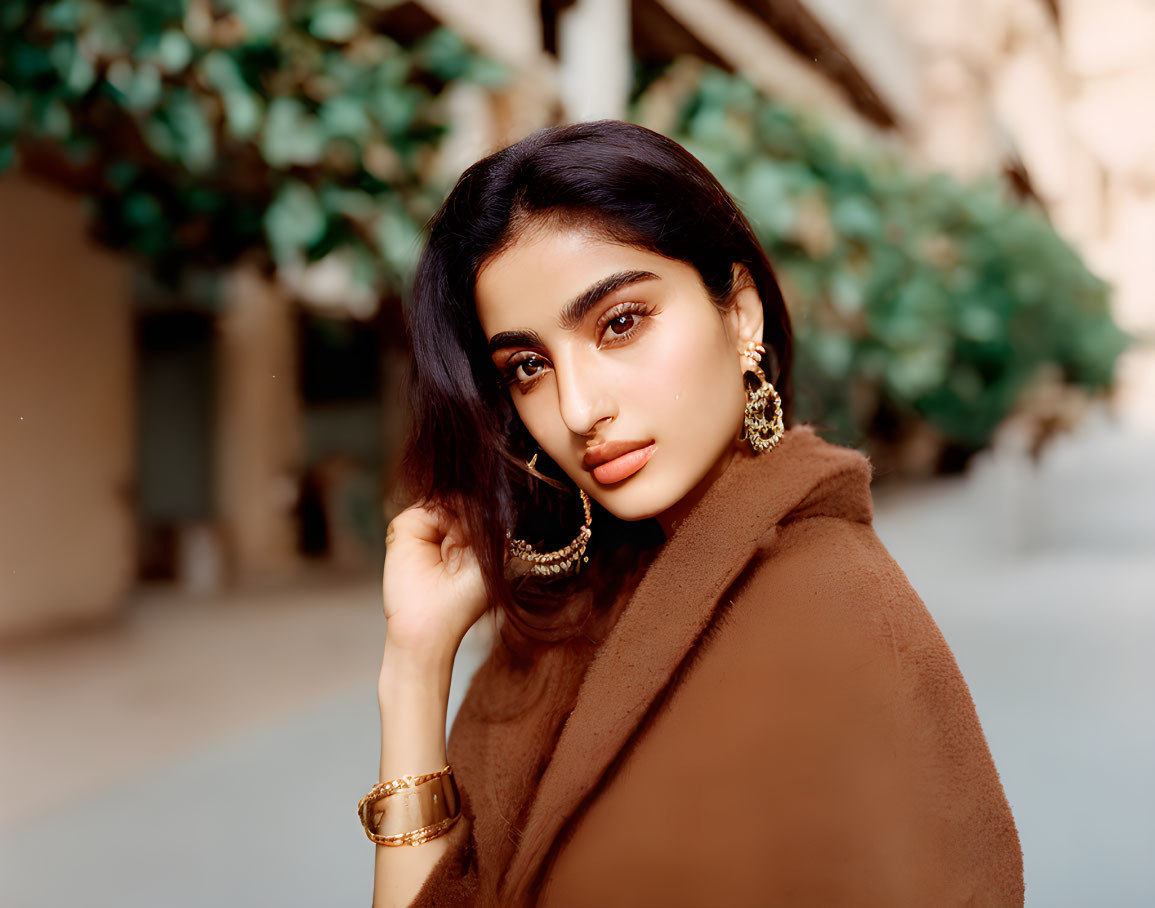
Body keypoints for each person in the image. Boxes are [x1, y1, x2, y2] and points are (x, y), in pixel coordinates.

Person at [361, 120, 1024, 907]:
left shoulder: (837, 614)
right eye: (528, 367)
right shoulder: (567, 616)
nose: (577, 408)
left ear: (738, 313)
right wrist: (414, 666)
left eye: (619, 323)